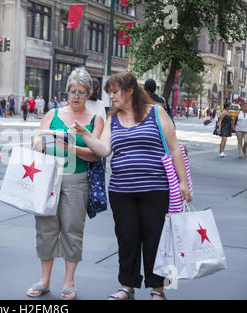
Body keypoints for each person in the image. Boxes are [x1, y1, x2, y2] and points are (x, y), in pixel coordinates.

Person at [69, 72, 192, 300]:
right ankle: (127, 286)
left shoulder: (156, 112)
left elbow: (174, 147)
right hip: (121, 190)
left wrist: (183, 182)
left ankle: (158, 289)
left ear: (130, 91)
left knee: (155, 239)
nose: (111, 98)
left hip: (155, 189)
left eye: (115, 92)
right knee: (127, 238)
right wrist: (85, 134)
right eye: (109, 93)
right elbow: (104, 150)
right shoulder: (112, 119)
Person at [28, 67, 104, 300]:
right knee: (46, 227)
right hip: (48, 177)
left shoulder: (95, 119)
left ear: (89, 94)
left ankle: (69, 281)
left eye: (81, 92)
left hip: (77, 179)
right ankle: (44, 279)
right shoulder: (53, 114)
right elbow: (35, 142)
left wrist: (71, 147)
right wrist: (46, 138)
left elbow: (96, 154)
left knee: (72, 228)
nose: (76, 96)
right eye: (72, 91)